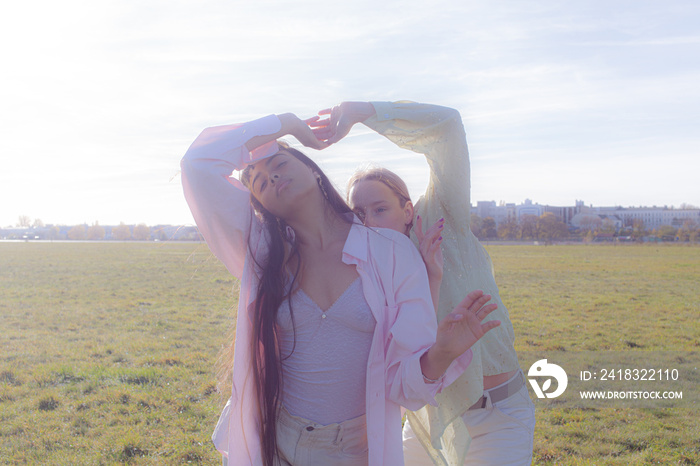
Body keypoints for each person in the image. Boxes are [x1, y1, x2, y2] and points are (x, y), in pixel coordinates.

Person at [180, 110, 502, 466]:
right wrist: (285, 124)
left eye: (278, 163)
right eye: (256, 181)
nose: (268, 175)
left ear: (314, 171)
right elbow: (198, 163)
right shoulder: (262, 252)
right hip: (276, 442)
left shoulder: (392, 253)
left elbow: (403, 386)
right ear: (262, 205)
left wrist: (441, 353)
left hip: (356, 450)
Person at [311, 101, 536, 465]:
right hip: (429, 423)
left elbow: (448, 127)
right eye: (359, 213)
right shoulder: (363, 270)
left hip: (496, 419)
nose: (369, 222)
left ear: (408, 210)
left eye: (380, 208)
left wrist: (361, 112)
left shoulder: (441, 223)